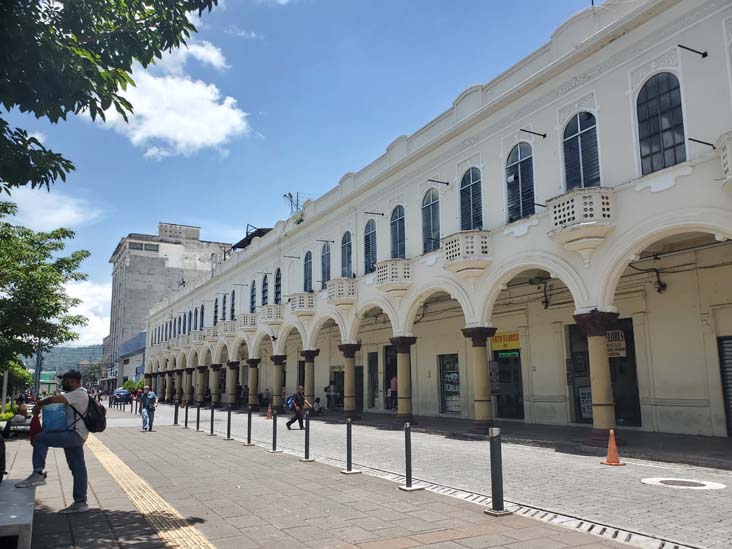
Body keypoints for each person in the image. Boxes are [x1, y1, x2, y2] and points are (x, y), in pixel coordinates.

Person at [16, 369, 90, 513]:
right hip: (76, 434)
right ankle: (80, 502)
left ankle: (38, 473)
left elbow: (54, 400)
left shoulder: (78, 393)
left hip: (73, 435)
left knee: (41, 438)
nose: (63, 383)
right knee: (78, 468)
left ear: (74, 381)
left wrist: (39, 404)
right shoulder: (79, 393)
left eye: (65, 380)